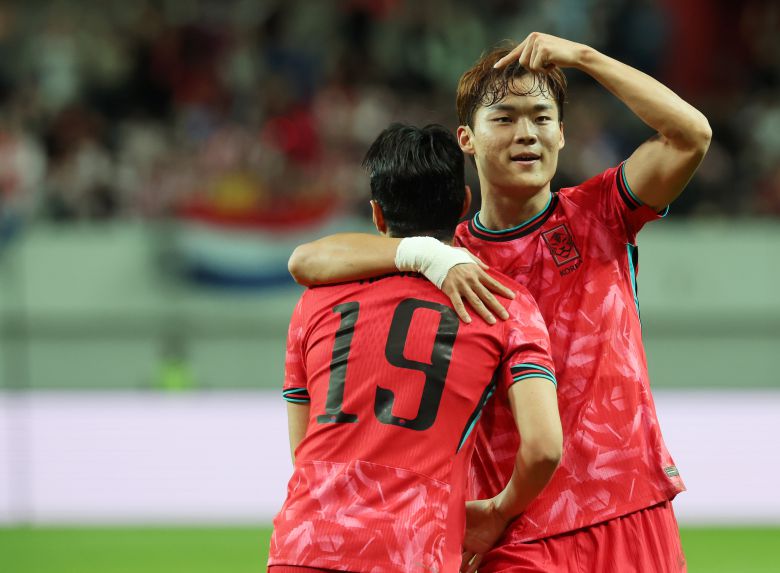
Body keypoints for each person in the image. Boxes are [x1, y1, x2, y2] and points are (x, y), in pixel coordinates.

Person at [288, 33, 712, 573]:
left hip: (627, 507)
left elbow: (691, 136)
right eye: (505, 118)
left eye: (541, 117)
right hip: (511, 526)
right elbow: (307, 260)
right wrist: (427, 255)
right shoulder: (444, 259)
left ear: (562, 133)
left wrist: (583, 58)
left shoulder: (601, 213)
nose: (527, 134)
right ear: (467, 138)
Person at [268, 123, 562, 573]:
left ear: (376, 215)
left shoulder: (315, 301)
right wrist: (499, 511)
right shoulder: (504, 304)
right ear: (464, 203)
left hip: (306, 545)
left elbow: (303, 451)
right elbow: (543, 448)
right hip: (415, 549)